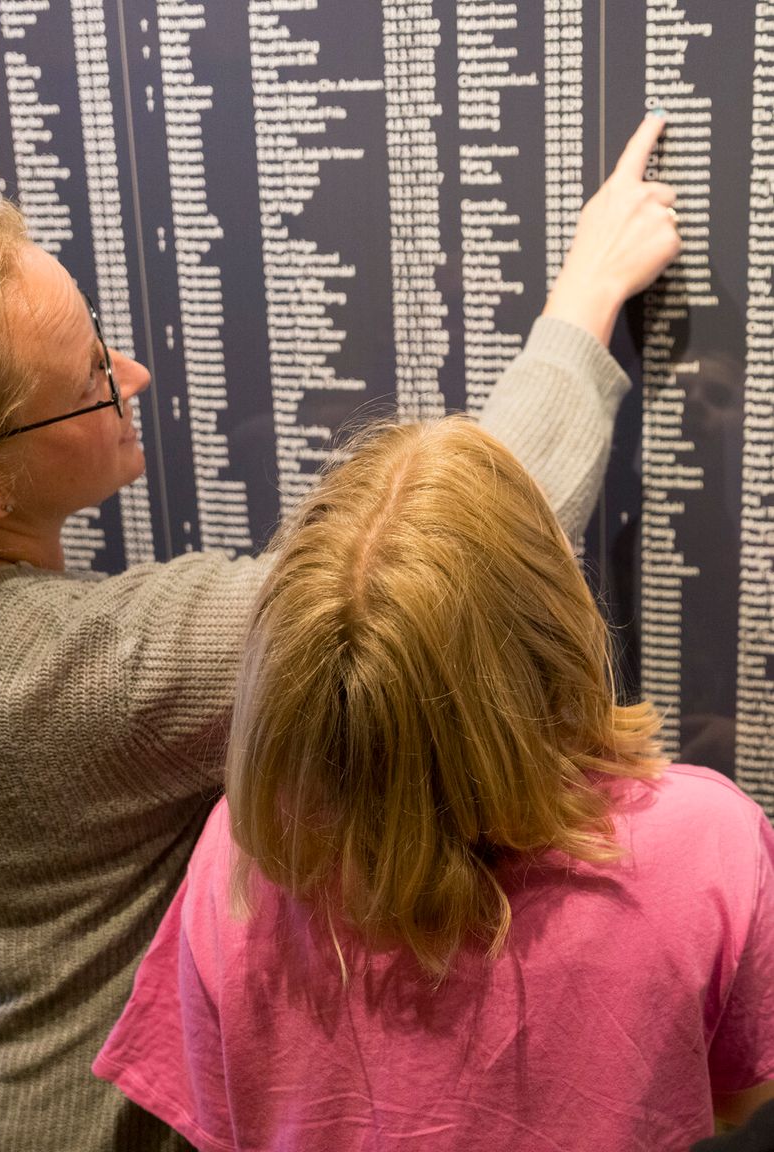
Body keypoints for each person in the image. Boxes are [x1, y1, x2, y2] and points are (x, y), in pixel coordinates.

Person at [0, 113, 676, 1152]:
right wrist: (583, 298)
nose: (135, 378)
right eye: (90, 382)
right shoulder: (74, 677)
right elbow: (458, 555)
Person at [93, 416, 774, 1151]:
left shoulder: (243, 850)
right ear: (554, 623)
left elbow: (218, 1119)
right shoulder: (708, 844)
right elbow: (737, 1096)